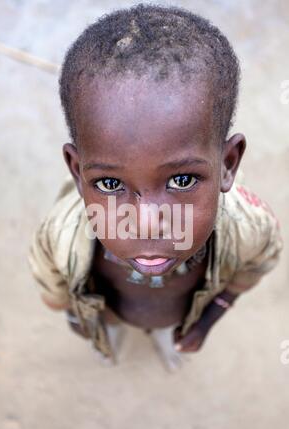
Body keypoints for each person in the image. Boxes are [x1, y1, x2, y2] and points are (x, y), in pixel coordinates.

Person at [28, 4, 283, 372]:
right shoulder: (57, 235)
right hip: (108, 314)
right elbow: (54, 291)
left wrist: (209, 318)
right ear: (78, 172)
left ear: (228, 164)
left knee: (170, 337)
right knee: (107, 336)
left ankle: (167, 339)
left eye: (181, 180)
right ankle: (110, 338)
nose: (147, 223)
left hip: (179, 317)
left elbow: (255, 266)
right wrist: (78, 319)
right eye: (111, 183)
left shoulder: (252, 227)